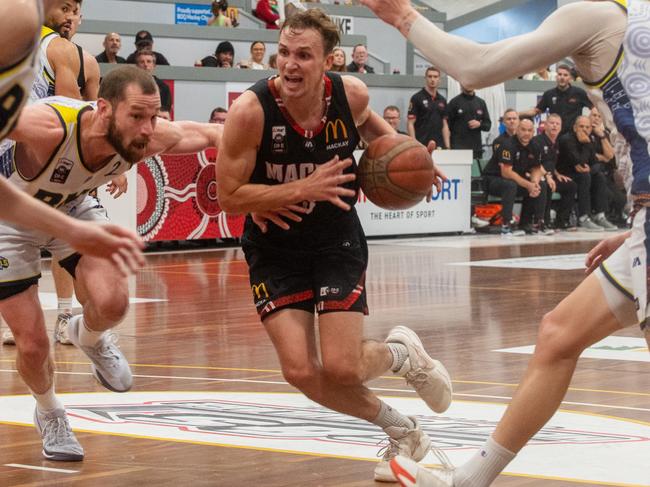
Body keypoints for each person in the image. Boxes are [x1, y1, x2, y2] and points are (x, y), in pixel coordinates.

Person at [358, 0, 650, 485]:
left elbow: (475, 66)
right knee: (558, 335)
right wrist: (636, 227)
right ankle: (470, 480)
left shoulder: (594, 17)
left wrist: (403, 16)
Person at [216, 9, 452, 483]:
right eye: (284, 52)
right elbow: (228, 196)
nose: (290, 64)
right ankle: (403, 430)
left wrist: (413, 164)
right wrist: (302, 188)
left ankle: (401, 354)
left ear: (329, 60)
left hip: (335, 238)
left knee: (344, 366)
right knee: (301, 372)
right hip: (273, 249)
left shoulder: (351, 95)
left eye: (304, 55)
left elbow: (371, 131)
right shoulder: (251, 110)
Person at [0, 64, 221, 462]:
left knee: (114, 302)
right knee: (32, 345)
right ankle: (50, 412)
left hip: (71, 207)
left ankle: (89, 337)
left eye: (153, 116)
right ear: (103, 109)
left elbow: (210, 133)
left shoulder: (148, 136)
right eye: (136, 116)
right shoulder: (50, 127)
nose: (147, 128)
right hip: (9, 218)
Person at [0, 0, 143, 268]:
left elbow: (91, 116)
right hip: (27, 155)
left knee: (69, 238)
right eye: (64, 9)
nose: (70, 17)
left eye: (75, 12)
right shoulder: (31, 33)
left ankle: (66, 310)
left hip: (40, 156)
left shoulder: (80, 58)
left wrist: (112, 167)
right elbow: (77, 119)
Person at [481, 118, 545, 236]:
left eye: (530, 130)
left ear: (533, 132)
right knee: (510, 185)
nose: (526, 133)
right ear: (517, 130)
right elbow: (506, 172)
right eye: (523, 130)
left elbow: (536, 168)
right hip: (493, 180)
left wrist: (534, 183)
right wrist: (528, 185)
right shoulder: (507, 145)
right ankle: (506, 224)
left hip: (514, 180)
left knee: (540, 184)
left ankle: (529, 223)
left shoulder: (535, 145)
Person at [557, 115, 616, 231]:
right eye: (581, 126)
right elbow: (580, 162)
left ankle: (600, 215)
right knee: (585, 176)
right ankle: (583, 217)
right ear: (575, 128)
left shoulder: (589, 139)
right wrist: (587, 144)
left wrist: (589, 165)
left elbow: (594, 161)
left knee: (599, 176)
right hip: (565, 174)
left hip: (581, 173)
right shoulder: (567, 140)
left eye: (587, 127)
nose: (584, 129)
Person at [531, 113, 577, 231]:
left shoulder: (556, 143)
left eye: (557, 124)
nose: (554, 126)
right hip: (538, 176)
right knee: (546, 185)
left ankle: (562, 220)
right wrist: (547, 176)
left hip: (551, 175)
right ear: (545, 125)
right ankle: (543, 221)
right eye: (551, 123)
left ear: (561, 127)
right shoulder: (537, 141)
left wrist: (557, 174)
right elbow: (535, 164)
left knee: (570, 185)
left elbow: (551, 162)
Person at [520, 64, 593, 135]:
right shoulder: (549, 94)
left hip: (573, 137)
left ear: (570, 78)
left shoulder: (579, 93)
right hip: (555, 136)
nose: (562, 77)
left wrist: (587, 123)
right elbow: (536, 111)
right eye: (560, 74)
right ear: (556, 77)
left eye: (565, 75)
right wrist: (518, 114)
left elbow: (594, 108)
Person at [407, 67, 450, 149]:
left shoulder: (442, 100)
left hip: (439, 146)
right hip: (421, 145)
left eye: (435, 77)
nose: (432, 79)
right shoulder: (416, 98)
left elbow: (445, 125)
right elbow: (410, 123)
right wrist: (414, 144)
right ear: (425, 78)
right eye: (430, 76)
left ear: (439, 79)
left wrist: (448, 146)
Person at [446, 85, 491, 159]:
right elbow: (446, 126)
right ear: (461, 85)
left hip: (476, 149)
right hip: (458, 148)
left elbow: (488, 125)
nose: (469, 85)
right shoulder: (454, 102)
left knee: (475, 170)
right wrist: (448, 147)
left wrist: (479, 124)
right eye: (466, 83)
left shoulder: (481, 102)